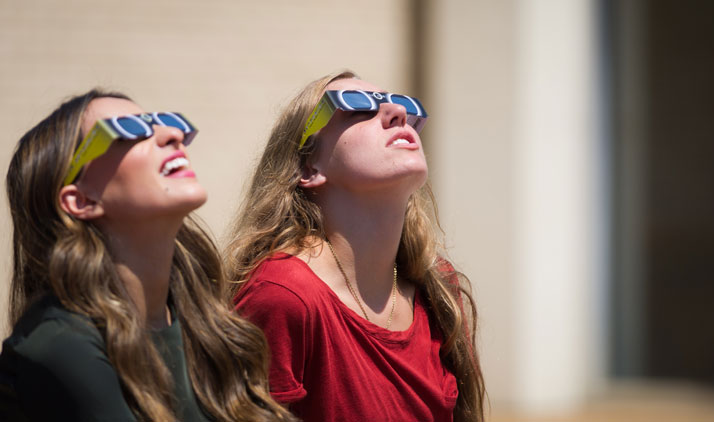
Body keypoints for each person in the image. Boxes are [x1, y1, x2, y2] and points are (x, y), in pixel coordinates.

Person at [0, 90, 296, 422]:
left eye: (164, 122)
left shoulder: (207, 326)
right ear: (80, 200)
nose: (173, 134)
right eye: (128, 129)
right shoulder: (57, 345)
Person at [226, 71, 486, 422]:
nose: (395, 112)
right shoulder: (282, 295)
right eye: (358, 108)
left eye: (405, 106)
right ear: (309, 166)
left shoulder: (438, 287)